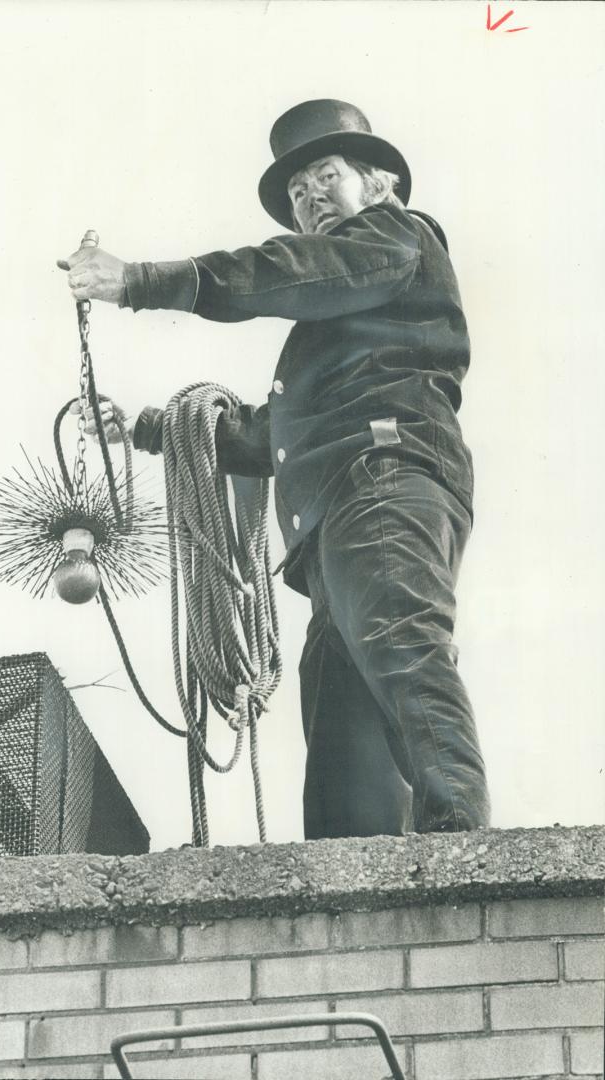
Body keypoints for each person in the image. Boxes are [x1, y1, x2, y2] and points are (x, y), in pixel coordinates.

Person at [59, 99, 491, 839]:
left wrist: (140, 280)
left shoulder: (393, 239)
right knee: (340, 719)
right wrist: (147, 427)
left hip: (382, 484)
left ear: (378, 185)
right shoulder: (339, 312)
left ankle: (460, 850)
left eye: (325, 175)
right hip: (334, 524)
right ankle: (349, 886)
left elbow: (289, 271)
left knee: (400, 646)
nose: (309, 197)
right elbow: (271, 435)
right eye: (297, 191)